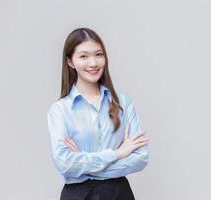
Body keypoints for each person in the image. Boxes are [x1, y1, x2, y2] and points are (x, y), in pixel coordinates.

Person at [46, 27, 150, 200]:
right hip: (79, 196)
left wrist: (84, 164)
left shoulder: (123, 104)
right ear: (70, 62)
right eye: (83, 56)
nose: (93, 63)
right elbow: (64, 163)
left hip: (119, 193)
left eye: (99, 54)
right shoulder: (60, 110)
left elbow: (141, 158)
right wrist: (117, 154)